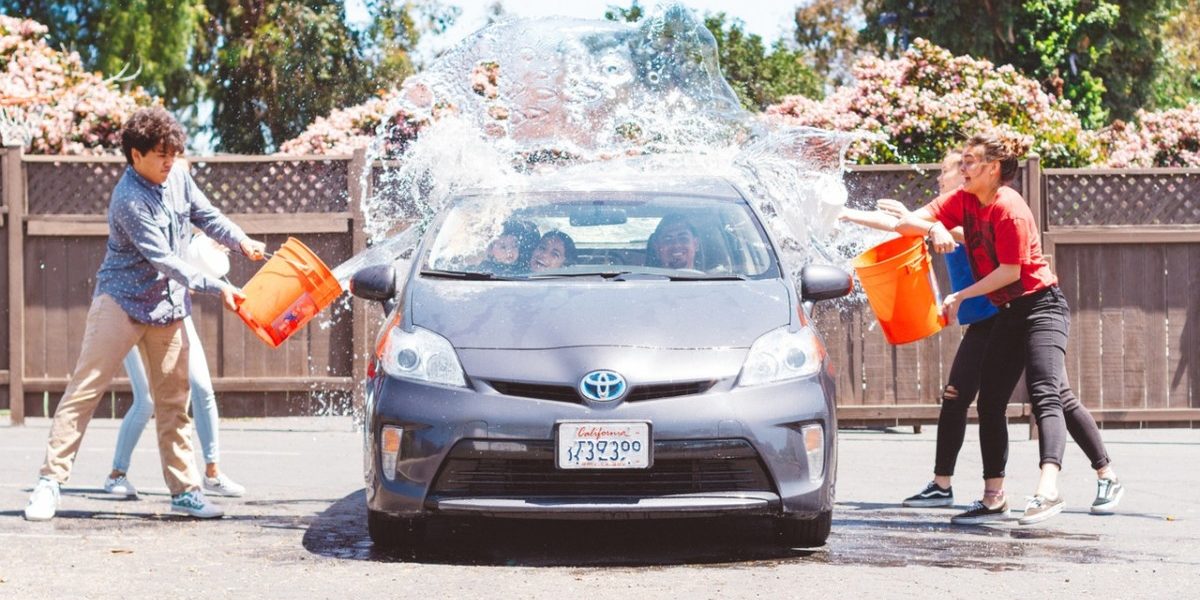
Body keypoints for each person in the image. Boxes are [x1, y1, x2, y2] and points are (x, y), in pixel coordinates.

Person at [23, 107, 266, 521]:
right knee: (85, 390)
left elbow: (205, 215)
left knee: (174, 401)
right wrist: (219, 287)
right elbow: (165, 259)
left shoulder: (179, 176)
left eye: (173, 153)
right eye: (160, 155)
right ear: (136, 155)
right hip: (120, 301)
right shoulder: (129, 199)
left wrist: (241, 241)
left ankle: (185, 492)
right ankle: (49, 483)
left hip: (166, 306)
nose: (169, 162)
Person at [888, 132, 1122, 525]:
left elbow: (1010, 272)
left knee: (1047, 394)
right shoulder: (963, 200)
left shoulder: (1009, 208)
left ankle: (1050, 489)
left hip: (1042, 307)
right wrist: (932, 229)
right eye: (962, 161)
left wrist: (961, 294)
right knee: (990, 402)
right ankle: (994, 497)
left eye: (969, 161)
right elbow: (909, 222)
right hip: (1008, 313)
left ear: (993, 168)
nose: (962, 168)